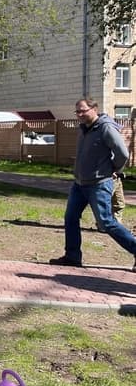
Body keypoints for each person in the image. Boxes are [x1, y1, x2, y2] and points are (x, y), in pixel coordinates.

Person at [50, 98, 136, 272]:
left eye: (83, 110)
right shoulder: (83, 129)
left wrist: (113, 168)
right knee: (70, 218)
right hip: (79, 184)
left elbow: (122, 153)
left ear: (94, 109)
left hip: (99, 184)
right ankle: (72, 257)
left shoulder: (105, 127)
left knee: (106, 223)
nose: (80, 114)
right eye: (77, 111)